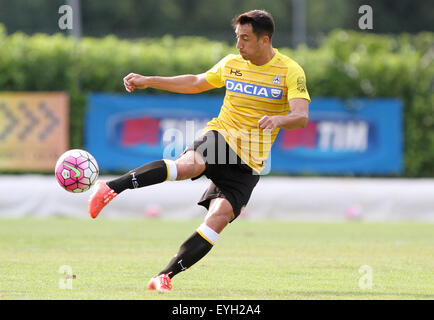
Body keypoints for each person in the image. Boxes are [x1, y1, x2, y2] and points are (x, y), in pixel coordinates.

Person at [88, 9, 311, 292]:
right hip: (222, 137)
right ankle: (110, 188)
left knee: (217, 219)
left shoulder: (290, 71)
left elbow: (301, 115)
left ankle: (163, 276)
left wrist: (279, 119)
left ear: (265, 40)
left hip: (250, 162)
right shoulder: (232, 64)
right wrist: (149, 80)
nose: (238, 45)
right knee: (188, 167)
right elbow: (195, 82)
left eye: (245, 39)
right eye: (237, 38)